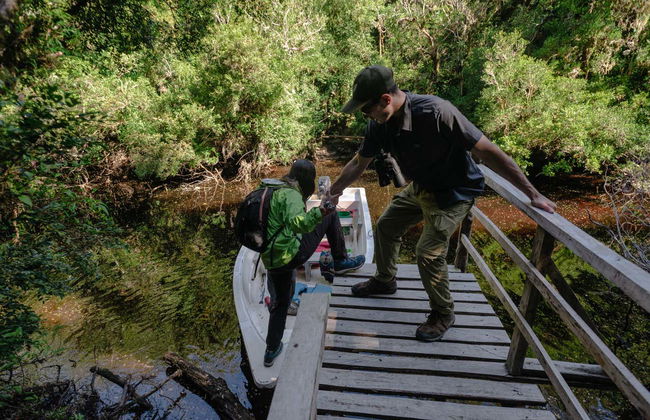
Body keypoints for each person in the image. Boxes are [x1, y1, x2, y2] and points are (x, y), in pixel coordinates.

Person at [330, 65, 556, 342]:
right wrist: (335, 190)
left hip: (454, 192)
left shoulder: (437, 112)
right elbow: (358, 162)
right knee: (386, 226)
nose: (365, 116)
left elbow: (489, 151)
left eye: (367, 109)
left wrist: (532, 193)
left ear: (386, 100)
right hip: (422, 186)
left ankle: (443, 313)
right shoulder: (378, 125)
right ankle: (385, 280)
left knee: (428, 253)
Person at [260, 159, 365, 367]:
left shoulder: (269, 189)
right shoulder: (291, 195)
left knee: (280, 302)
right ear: (307, 179)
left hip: (270, 257)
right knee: (331, 214)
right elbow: (302, 225)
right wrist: (323, 210)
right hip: (291, 255)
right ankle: (341, 260)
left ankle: (271, 350)